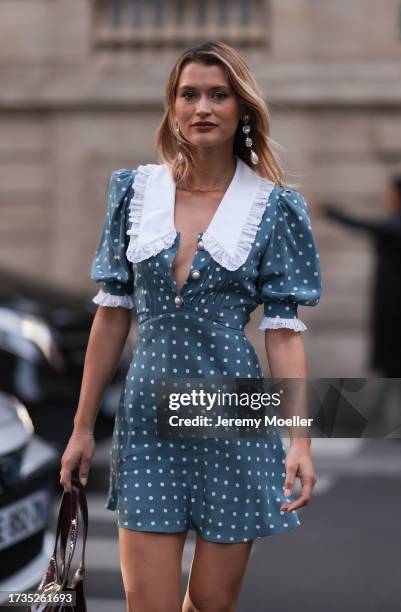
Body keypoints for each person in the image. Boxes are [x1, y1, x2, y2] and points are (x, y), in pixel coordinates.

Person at [59, 41, 322, 612]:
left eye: (218, 95)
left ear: (242, 109)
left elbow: (282, 330)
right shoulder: (135, 192)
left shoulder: (273, 206)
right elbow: (111, 316)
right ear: (173, 106)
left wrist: (299, 440)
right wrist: (81, 428)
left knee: (209, 603)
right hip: (148, 416)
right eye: (189, 94)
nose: (202, 106)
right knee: (147, 603)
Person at [321, 177, 401, 378]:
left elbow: (362, 225)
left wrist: (332, 213)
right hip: (392, 297)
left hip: (395, 299)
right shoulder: (397, 222)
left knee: (392, 355)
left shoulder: (399, 225)